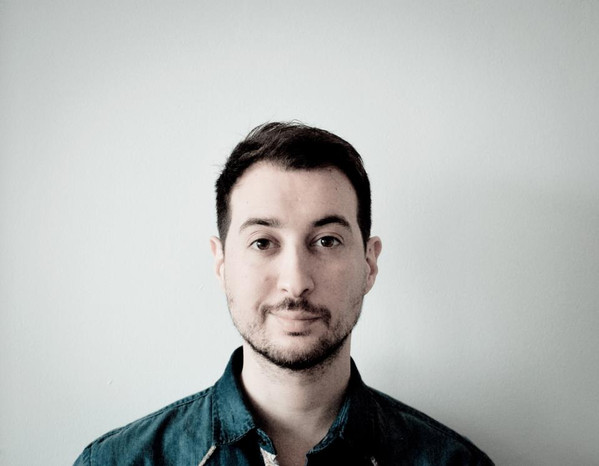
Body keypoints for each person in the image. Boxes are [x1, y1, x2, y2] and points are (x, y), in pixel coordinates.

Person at [74, 122, 493, 465]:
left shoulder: (454, 462)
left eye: (326, 241)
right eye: (263, 242)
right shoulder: (116, 462)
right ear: (221, 264)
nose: (296, 282)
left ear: (369, 263)